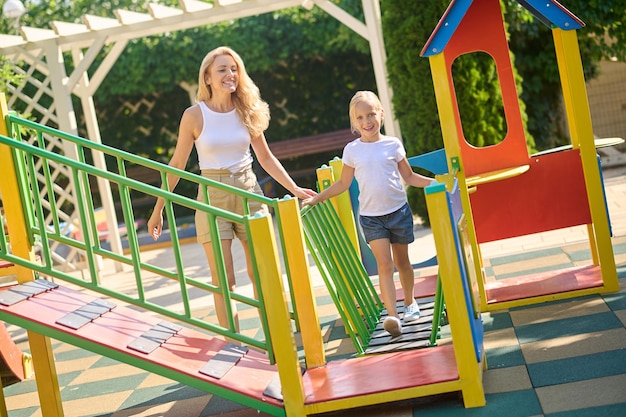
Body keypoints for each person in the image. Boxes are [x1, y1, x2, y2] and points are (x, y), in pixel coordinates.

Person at [147, 46, 317, 331]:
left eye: (234, 68)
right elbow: (176, 164)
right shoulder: (194, 115)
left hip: (249, 191)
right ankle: (234, 345)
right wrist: (159, 208)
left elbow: (265, 157)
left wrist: (295, 188)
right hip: (213, 196)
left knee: (263, 272)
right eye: (222, 69)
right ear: (208, 78)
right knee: (224, 279)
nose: (230, 74)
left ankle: (278, 337)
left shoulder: (246, 110)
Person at [303, 90, 434, 338]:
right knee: (384, 264)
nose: (367, 122)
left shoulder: (393, 144)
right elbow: (343, 183)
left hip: (398, 212)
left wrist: (437, 182)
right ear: (354, 123)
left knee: (402, 262)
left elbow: (409, 176)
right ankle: (393, 316)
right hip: (372, 218)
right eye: (360, 118)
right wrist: (318, 197)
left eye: (371, 114)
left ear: (381, 114)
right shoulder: (352, 150)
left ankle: (410, 303)